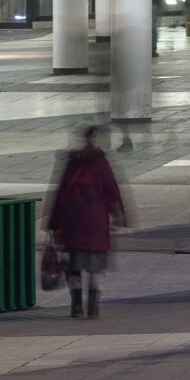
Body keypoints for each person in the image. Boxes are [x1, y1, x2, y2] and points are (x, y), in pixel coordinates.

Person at [45, 126, 127, 318]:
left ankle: (76, 306)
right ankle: (93, 306)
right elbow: (113, 190)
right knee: (96, 267)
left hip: (73, 222)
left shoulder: (72, 163)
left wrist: (53, 223)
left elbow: (60, 194)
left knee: (73, 267)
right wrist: (119, 215)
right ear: (96, 140)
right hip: (97, 222)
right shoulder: (102, 162)